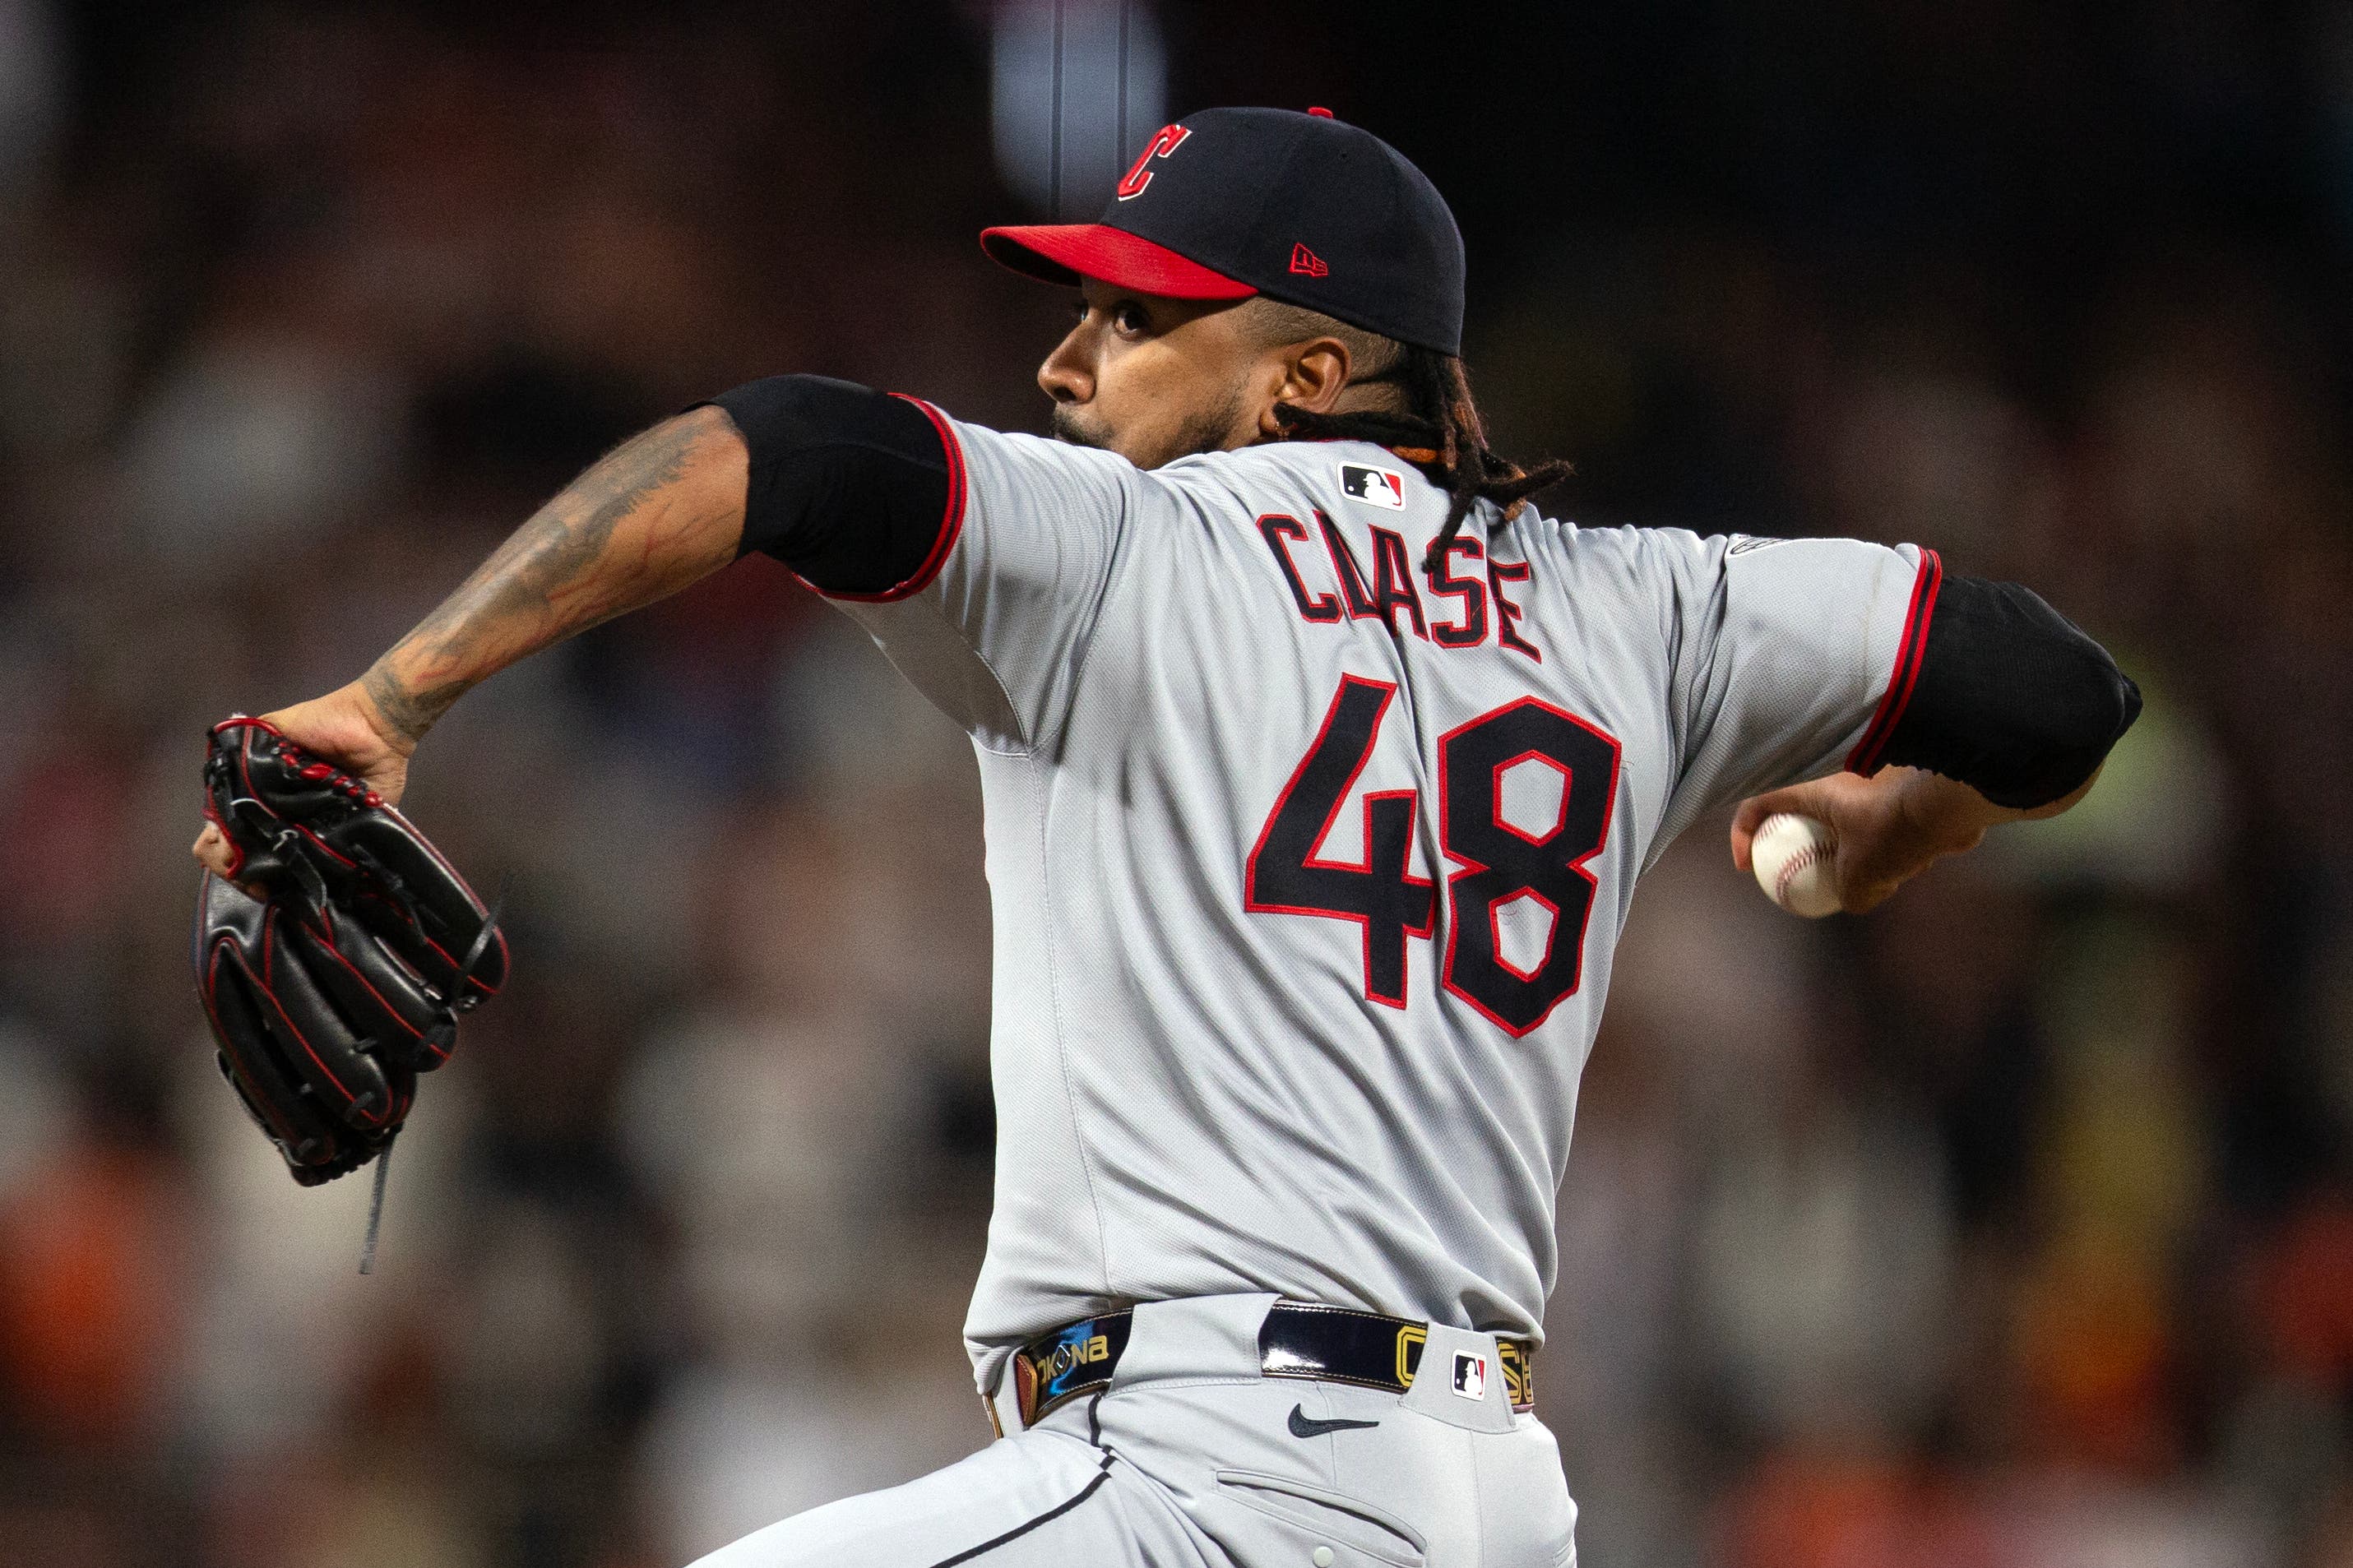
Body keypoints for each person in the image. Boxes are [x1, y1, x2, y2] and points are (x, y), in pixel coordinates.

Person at [193, 107, 2139, 1567]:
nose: (1065, 365)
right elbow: (2060, 696)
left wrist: (394, 696)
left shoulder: (1133, 547)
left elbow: (797, 449)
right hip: (1489, 1498)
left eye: (1134, 319)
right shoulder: (1645, 607)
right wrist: (1911, 824)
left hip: (1212, 1473)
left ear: (1305, 373)